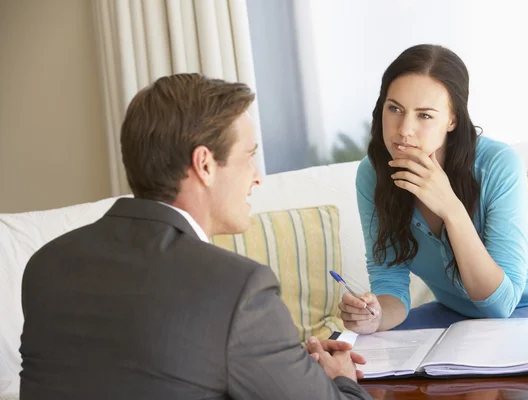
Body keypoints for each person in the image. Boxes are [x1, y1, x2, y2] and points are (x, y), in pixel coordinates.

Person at [19, 73, 372, 400]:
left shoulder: (47, 263)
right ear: (204, 164)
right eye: (248, 157)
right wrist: (341, 377)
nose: (257, 177)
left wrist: (288, 368)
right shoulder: (239, 288)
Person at [339, 44, 528, 354]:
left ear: (452, 120)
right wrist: (374, 315)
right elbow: (389, 281)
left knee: (487, 355)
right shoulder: (373, 174)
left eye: (424, 115)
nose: (404, 130)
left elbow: (500, 306)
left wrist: (451, 208)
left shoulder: (498, 165)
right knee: (351, 349)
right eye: (394, 108)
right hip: (464, 316)